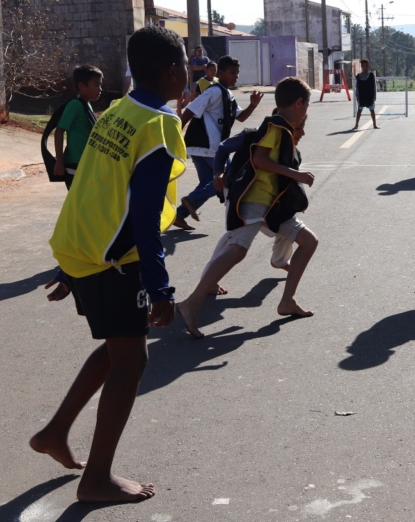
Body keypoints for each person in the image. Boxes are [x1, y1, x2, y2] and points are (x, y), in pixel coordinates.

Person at [30, 25, 188, 504]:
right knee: (132, 359)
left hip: (84, 250)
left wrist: (68, 263)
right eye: (186, 66)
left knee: (120, 347)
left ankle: (55, 432)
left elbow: (91, 188)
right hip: (115, 262)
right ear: (173, 71)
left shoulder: (117, 110)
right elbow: (142, 214)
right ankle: (95, 479)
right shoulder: (159, 125)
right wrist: (161, 287)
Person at [176, 77, 317, 339]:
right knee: (237, 250)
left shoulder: (282, 129)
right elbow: (259, 159)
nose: (306, 112)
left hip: (271, 205)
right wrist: (296, 175)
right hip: (255, 200)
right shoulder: (277, 128)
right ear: (299, 103)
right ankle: (192, 302)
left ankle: (288, 301)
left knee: (308, 241)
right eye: (307, 106)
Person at [173, 55, 263, 231]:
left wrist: (252, 105)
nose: (235, 76)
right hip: (209, 146)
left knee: (209, 183)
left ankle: (180, 214)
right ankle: (236, 216)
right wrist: (175, 135)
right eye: (231, 73)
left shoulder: (227, 94)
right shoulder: (213, 91)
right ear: (220, 73)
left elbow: (241, 117)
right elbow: (189, 110)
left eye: (237, 73)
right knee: (226, 178)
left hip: (202, 147)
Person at [54, 65, 102, 189]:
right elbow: (59, 131)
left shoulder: (87, 105)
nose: (100, 89)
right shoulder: (75, 105)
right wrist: (59, 162)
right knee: (78, 204)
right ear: (81, 86)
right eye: (96, 85)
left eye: (100, 85)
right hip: (74, 164)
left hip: (86, 163)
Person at [353, 58, 379, 130]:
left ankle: (375, 125)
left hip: (370, 96)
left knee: (372, 110)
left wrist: (374, 95)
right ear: (361, 66)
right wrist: (357, 95)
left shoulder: (371, 75)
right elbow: (357, 87)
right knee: (359, 111)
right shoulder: (359, 76)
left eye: (366, 66)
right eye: (363, 66)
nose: (365, 67)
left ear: (369, 66)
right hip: (362, 96)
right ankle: (356, 125)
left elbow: (374, 86)